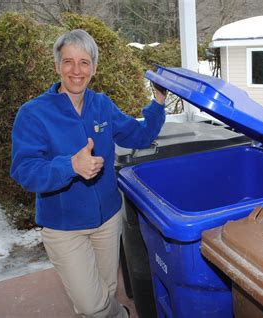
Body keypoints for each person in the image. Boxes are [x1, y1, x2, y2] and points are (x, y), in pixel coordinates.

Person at [10, 29, 166, 317]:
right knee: (92, 305)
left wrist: (157, 104)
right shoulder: (33, 113)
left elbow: (139, 136)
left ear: (94, 68)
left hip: (107, 220)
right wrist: (69, 166)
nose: (76, 70)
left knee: (104, 293)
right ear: (57, 66)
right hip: (63, 227)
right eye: (68, 62)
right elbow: (25, 170)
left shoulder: (101, 105)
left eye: (84, 62)